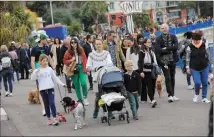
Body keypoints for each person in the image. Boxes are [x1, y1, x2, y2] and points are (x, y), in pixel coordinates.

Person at [31, 54, 66, 126]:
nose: (45, 62)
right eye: (43, 61)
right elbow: (32, 79)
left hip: (50, 88)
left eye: (46, 61)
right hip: (42, 90)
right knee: (46, 104)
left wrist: (62, 84)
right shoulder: (38, 70)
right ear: (40, 62)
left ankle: (55, 118)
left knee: (52, 103)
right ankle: (49, 119)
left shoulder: (50, 69)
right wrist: (35, 72)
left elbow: (55, 78)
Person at [86, 38, 113, 118]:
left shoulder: (107, 53)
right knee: (98, 97)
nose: (98, 46)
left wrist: (105, 68)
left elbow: (110, 63)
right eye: (97, 44)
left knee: (108, 95)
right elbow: (88, 67)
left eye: (99, 44)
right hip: (95, 78)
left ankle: (109, 112)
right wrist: (95, 69)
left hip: (106, 77)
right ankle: (96, 110)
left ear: (102, 45)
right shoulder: (91, 55)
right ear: (94, 45)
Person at [31, 31, 55, 116]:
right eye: (45, 39)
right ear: (41, 39)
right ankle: (44, 108)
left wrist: (53, 67)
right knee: (41, 90)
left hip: (47, 70)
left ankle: (49, 107)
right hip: (39, 70)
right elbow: (33, 61)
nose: (47, 40)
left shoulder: (46, 48)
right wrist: (34, 72)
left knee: (49, 88)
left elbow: (49, 58)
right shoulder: (34, 49)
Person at [186, 30, 212, 103]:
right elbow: (187, 58)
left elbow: (208, 55)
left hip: (204, 66)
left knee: (205, 83)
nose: (196, 42)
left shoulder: (204, 45)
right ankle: (196, 94)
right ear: (192, 40)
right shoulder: (189, 47)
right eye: (194, 40)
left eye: (197, 40)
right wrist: (187, 67)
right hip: (194, 67)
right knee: (197, 82)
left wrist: (212, 64)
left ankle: (204, 98)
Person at [155, 24, 179, 103]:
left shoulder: (173, 37)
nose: (164, 29)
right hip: (163, 61)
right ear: (160, 30)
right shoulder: (158, 39)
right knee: (167, 77)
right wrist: (169, 49)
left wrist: (166, 48)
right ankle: (170, 95)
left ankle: (173, 94)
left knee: (172, 77)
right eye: (162, 28)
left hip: (173, 60)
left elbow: (176, 47)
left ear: (168, 29)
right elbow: (158, 49)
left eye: (165, 28)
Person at [63, 38, 89, 105]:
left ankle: (85, 97)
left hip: (81, 67)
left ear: (77, 43)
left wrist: (86, 68)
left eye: (75, 42)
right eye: (72, 43)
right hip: (73, 69)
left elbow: (85, 59)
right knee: (77, 85)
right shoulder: (68, 51)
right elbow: (64, 61)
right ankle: (80, 100)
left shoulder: (81, 49)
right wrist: (71, 60)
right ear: (70, 44)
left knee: (83, 83)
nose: (73, 44)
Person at [138, 38, 158, 107]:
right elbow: (140, 62)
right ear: (144, 43)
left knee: (152, 85)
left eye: (150, 42)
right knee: (149, 85)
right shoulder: (142, 52)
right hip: (145, 71)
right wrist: (141, 71)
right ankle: (152, 100)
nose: (150, 43)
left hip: (152, 70)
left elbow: (154, 61)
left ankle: (152, 98)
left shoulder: (151, 51)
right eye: (148, 42)